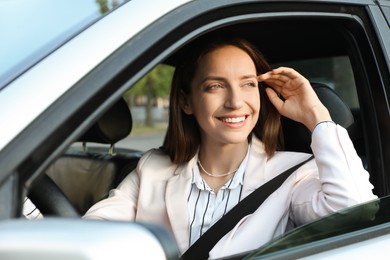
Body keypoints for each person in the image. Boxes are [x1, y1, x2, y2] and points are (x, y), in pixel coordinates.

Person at [83, 37, 376, 258]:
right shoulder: (152, 168)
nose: (236, 102)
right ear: (186, 102)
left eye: (248, 84)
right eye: (215, 86)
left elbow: (357, 210)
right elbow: (89, 237)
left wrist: (317, 116)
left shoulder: (293, 173)